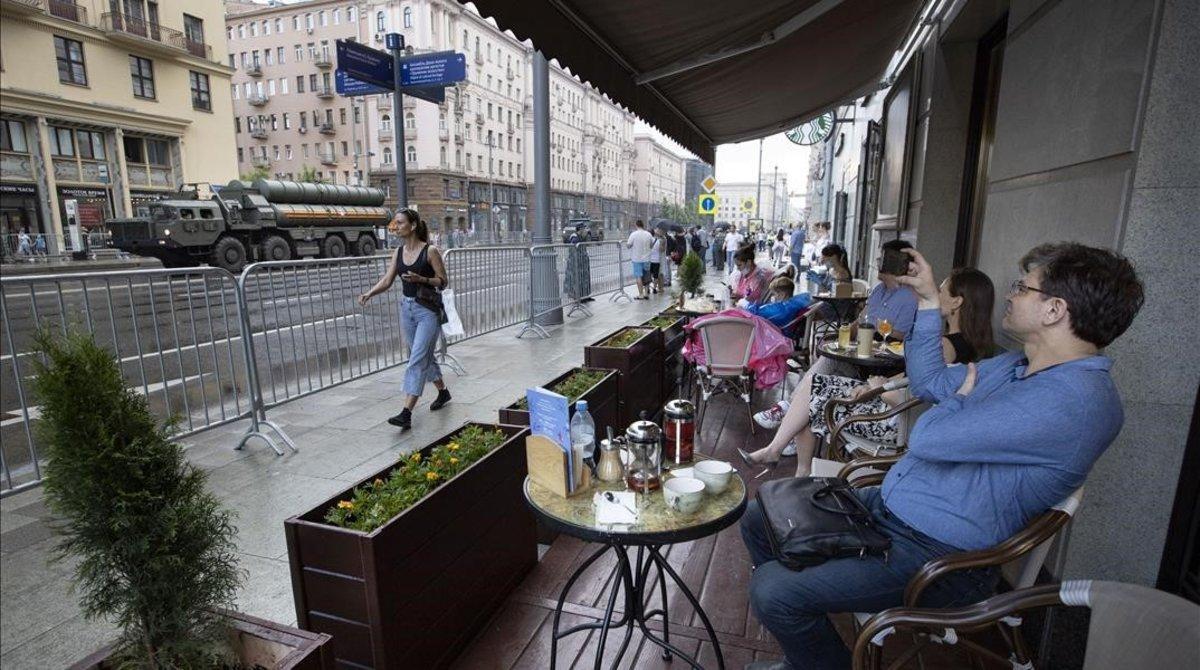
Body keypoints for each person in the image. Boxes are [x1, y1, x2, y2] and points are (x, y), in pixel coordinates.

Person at [739, 243, 1144, 670]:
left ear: (1054, 310)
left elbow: (928, 438)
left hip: (940, 558)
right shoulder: (1015, 367)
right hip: (891, 515)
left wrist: (956, 404)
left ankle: (808, 633)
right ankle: (807, 644)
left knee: (773, 591)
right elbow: (929, 382)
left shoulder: (1073, 403)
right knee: (760, 515)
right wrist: (931, 302)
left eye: (1023, 288)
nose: (1011, 295)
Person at [743, 267, 996, 474]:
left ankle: (789, 462)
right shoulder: (969, 345)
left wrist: (878, 389)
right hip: (906, 416)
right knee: (815, 389)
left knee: (813, 395)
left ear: (957, 302)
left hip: (897, 422)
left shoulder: (945, 346)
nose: (936, 293)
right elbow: (921, 381)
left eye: (941, 289)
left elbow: (920, 394)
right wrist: (878, 385)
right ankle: (789, 462)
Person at [358, 209, 452, 430]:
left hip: (427, 310)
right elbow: (388, 279)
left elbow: (443, 281)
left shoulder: (430, 251)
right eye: (395, 223)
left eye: (400, 223)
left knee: (417, 359)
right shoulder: (398, 252)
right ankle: (443, 392)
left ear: (412, 225)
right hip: (407, 309)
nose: (396, 227)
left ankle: (406, 413)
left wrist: (422, 279)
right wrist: (370, 293)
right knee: (423, 356)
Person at [742, 277, 812, 337]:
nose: (774, 297)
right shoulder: (792, 304)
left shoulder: (782, 309)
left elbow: (758, 312)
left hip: (777, 336)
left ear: (782, 294)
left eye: (774, 294)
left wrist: (747, 304)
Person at [626, 219, 654, 300]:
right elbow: (651, 245)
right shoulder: (648, 234)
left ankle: (641, 294)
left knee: (638, 276)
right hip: (647, 259)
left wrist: (629, 245)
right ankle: (646, 294)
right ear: (643, 225)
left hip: (637, 259)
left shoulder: (633, 234)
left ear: (636, 225)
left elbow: (628, 245)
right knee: (647, 276)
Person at [648, 227, 664, 294]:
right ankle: (654, 288)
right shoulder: (658, 241)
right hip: (657, 261)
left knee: (648, 275)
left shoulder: (648, 241)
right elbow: (662, 250)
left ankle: (648, 288)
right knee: (655, 276)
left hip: (649, 261)